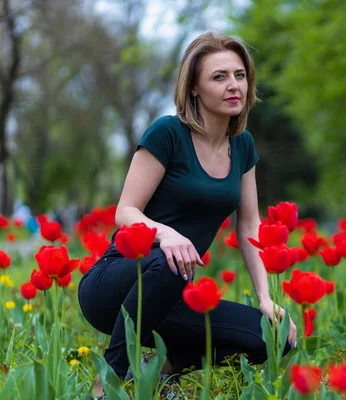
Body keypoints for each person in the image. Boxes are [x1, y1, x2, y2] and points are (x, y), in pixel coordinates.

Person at [78, 31, 297, 400]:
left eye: (240, 75)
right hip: (117, 284)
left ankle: (160, 370)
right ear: (193, 88)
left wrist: (265, 295)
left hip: (173, 294)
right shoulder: (168, 133)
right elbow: (125, 211)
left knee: (275, 337)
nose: (234, 86)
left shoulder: (242, 145)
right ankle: (107, 386)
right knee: (167, 261)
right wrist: (166, 234)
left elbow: (248, 225)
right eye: (219, 76)